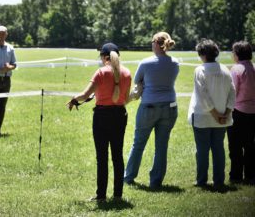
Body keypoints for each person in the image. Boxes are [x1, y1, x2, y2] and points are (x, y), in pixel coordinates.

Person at [67, 43, 131, 202]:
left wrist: (74, 99)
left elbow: (84, 94)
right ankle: (118, 195)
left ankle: (101, 195)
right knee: (118, 156)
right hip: (120, 115)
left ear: (104, 57)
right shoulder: (127, 73)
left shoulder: (101, 72)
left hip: (102, 116)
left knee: (102, 157)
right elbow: (125, 97)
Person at [124, 32, 179, 188]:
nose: (151, 44)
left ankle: (128, 177)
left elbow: (137, 81)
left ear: (157, 43)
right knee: (162, 146)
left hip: (149, 107)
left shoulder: (146, 63)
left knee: (138, 144)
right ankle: (156, 181)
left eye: (152, 41)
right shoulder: (175, 63)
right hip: (170, 107)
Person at [188, 39, 235, 188]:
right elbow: (233, 93)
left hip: (203, 116)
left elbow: (203, 95)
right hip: (222, 115)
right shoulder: (225, 69)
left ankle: (202, 180)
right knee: (218, 149)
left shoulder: (200, 70)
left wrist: (215, 114)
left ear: (202, 54)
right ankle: (219, 181)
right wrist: (226, 113)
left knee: (202, 150)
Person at [228, 41, 255, 184]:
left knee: (236, 146)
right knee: (250, 145)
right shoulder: (253, 67)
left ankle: (236, 176)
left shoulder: (236, 69)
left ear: (237, 54)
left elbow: (233, 92)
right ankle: (250, 175)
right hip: (253, 112)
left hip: (238, 112)